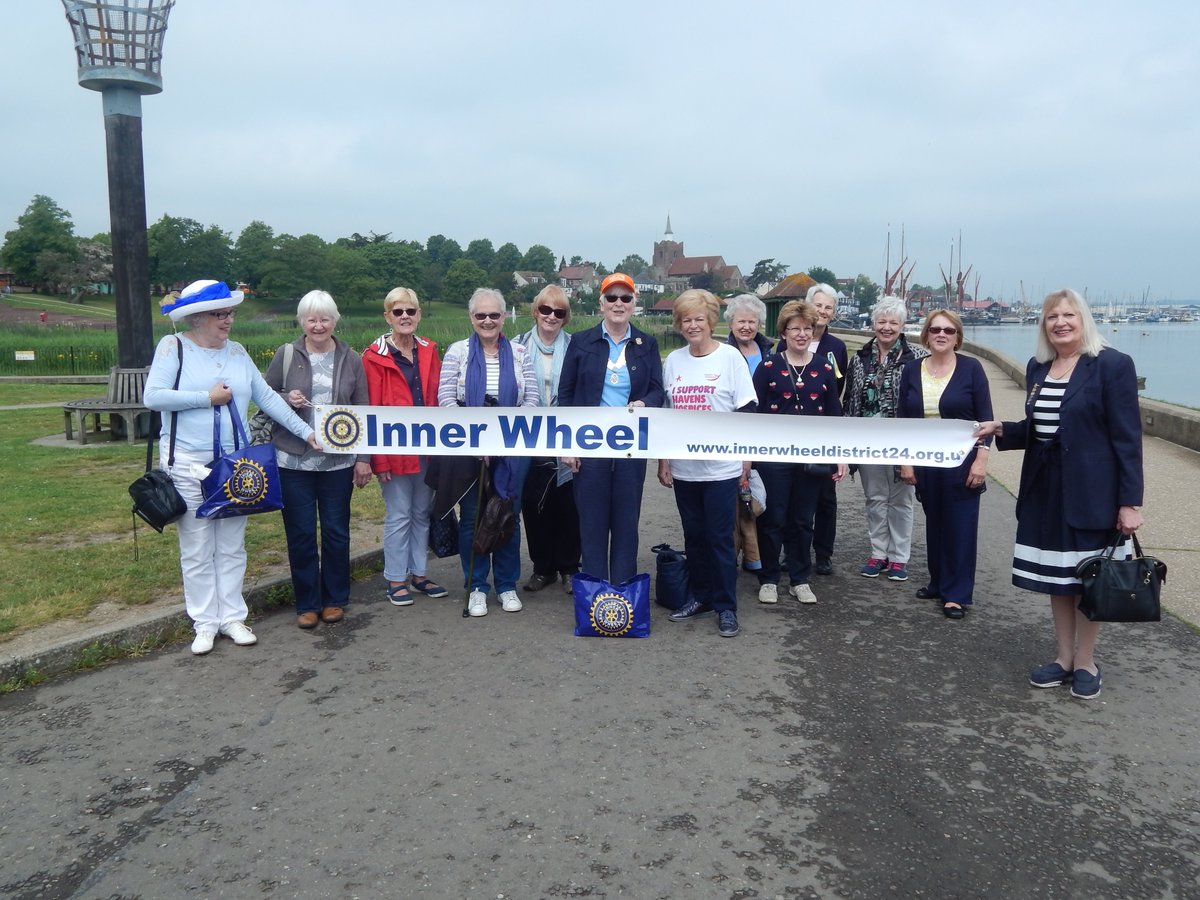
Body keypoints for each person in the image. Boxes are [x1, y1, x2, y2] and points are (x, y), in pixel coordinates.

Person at [975, 289, 1144, 699]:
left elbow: (1127, 439)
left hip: (1093, 492)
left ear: (1084, 319)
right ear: (1044, 324)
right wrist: (1003, 429)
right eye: (1052, 316)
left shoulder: (1112, 365)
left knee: (1090, 579)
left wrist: (1130, 501)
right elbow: (1041, 429)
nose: (1060, 323)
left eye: (1069, 315)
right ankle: (1063, 658)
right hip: (1045, 489)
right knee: (1058, 579)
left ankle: (1086, 661)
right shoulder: (1039, 366)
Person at [144, 280, 319, 656]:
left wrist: (305, 432)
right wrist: (206, 398)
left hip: (234, 466)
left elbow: (267, 397)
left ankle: (232, 617)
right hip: (189, 465)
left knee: (231, 545)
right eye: (220, 314)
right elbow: (153, 396)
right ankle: (204, 623)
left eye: (230, 313)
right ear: (197, 318)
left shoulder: (238, 352)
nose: (228, 320)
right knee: (196, 545)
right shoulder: (174, 348)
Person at [265, 290, 372, 630]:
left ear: (335, 321)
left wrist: (363, 459)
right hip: (293, 462)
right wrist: (287, 397)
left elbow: (363, 410)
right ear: (302, 322)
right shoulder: (285, 355)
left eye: (324, 318)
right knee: (300, 534)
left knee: (337, 533)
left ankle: (335, 599)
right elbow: (265, 398)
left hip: (337, 465)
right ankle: (307, 603)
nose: (318, 325)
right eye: (311, 319)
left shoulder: (350, 358)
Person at [658, 290, 757, 637]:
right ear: (679, 325)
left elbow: (747, 413)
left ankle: (726, 605)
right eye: (686, 320)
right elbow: (665, 418)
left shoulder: (730, 358)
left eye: (699, 318)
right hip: (685, 469)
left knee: (719, 539)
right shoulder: (673, 361)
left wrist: (746, 460)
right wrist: (664, 461)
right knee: (694, 537)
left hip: (721, 468)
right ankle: (699, 596)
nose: (693, 325)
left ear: (711, 321)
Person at [438, 287, 538, 617]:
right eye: (480, 315)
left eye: (494, 315)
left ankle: (506, 584)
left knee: (508, 515)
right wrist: (474, 439)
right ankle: (477, 585)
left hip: (513, 448)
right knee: (473, 517)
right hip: (470, 448)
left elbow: (533, 401)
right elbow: (446, 400)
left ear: (504, 317)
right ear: (471, 318)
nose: (487, 321)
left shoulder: (521, 353)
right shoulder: (457, 352)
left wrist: (505, 439)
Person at [559, 273, 664, 584]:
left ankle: (622, 592)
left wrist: (645, 402)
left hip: (631, 446)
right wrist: (568, 446)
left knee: (625, 523)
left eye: (626, 298)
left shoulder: (647, 343)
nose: (619, 303)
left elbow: (658, 390)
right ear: (601, 303)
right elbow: (566, 395)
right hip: (590, 445)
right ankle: (594, 596)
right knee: (591, 524)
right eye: (612, 298)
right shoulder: (581, 341)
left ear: (635, 304)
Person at [897, 309, 993, 619]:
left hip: (963, 462)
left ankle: (957, 594)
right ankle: (938, 582)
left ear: (957, 337)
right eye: (936, 329)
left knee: (960, 527)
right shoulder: (912, 370)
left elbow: (985, 421)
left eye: (949, 331)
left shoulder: (972, 369)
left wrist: (981, 459)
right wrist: (906, 463)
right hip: (926, 462)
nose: (941, 334)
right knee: (936, 523)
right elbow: (904, 421)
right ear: (925, 334)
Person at [752, 300, 847, 606]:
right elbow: (753, 415)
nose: (802, 334)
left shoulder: (824, 367)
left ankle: (799, 578)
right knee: (774, 518)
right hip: (773, 456)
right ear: (784, 331)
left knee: (803, 519)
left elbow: (834, 414)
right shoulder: (768, 366)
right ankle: (768, 579)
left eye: (807, 328)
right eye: (795, 328)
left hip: (812, 457)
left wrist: (840, 456)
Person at [362, 287, 448, 608]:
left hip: (427, 447)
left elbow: (440, 398)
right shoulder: (373, 357)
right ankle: (396, 578)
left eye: (410, 311)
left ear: (419, 315)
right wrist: (377, 460)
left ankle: (420, 574)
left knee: (422, 512)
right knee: (399, 514)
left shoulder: (429, 351)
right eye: (398, 312)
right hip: (393, 448)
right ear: (387, 316)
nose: (405, 317)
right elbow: (370, 410)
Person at [843, 296, 928, 581]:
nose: (887, 328)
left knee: (902, 497)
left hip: (901, 437)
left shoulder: (916, 356)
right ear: (873, 324)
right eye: (882, 322)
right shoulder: (860, 357)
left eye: (893, 322)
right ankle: (879, 553)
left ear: (903, 326)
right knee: (875, 497)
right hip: (867, 438)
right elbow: (850, 399)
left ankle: (899, 558)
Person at [513, 285, 580, 595]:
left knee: (568, 503)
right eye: (545, 310)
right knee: (533, 501)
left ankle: (569, 567)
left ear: (565, 317)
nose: (551, 316)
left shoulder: (577, 346)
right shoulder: (517, 346)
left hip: (569, 432)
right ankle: (542, 568)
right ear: (535, 311)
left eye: (559, 312)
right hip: (530, 434)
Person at [723, 293, 772, 573]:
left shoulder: (769, 350)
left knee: (761, 498)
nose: (746, 327)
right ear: (731, 322)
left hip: (767, 431)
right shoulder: (724, 352)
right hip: (738, 431)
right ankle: (736, 554)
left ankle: (760, 556)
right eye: (741, 321)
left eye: (752, 322)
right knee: (736, 500)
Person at [807, 283, 849, 576]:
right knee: (794, 494)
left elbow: (839, 388)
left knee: (825, 495)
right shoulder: (786, 341)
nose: (822, 312)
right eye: (818, 305)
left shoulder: (837, 347)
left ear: (833, 314)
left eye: (828, 307)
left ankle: (823, 553)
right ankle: (794, 549)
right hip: (793, 427)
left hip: (824, 427)